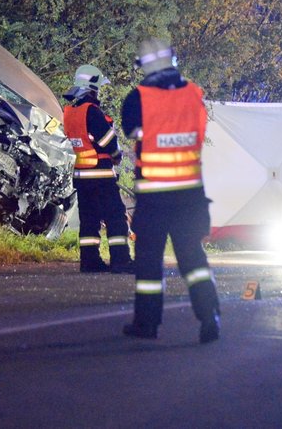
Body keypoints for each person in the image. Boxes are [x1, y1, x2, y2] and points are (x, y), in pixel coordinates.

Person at [119, 38, 220, 343]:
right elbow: (199, 134)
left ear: (144, 66)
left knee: (149, 260)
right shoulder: (194, 94)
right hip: (190, 193)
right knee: (193, 258)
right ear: (173, 60)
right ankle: (210, 317)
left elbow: (134, 134)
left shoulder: (137, 98)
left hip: (154, 195)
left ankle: (147, 324)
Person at [62, 65, 134, 274]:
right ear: (92, 87)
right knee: (115, 215)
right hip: (101, 175)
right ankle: (121, 261)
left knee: (89, 219)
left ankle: (89, 261)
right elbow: (107, 140)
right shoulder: (91, 111)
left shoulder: (71, 113)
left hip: (82, 176)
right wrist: (116, 155)